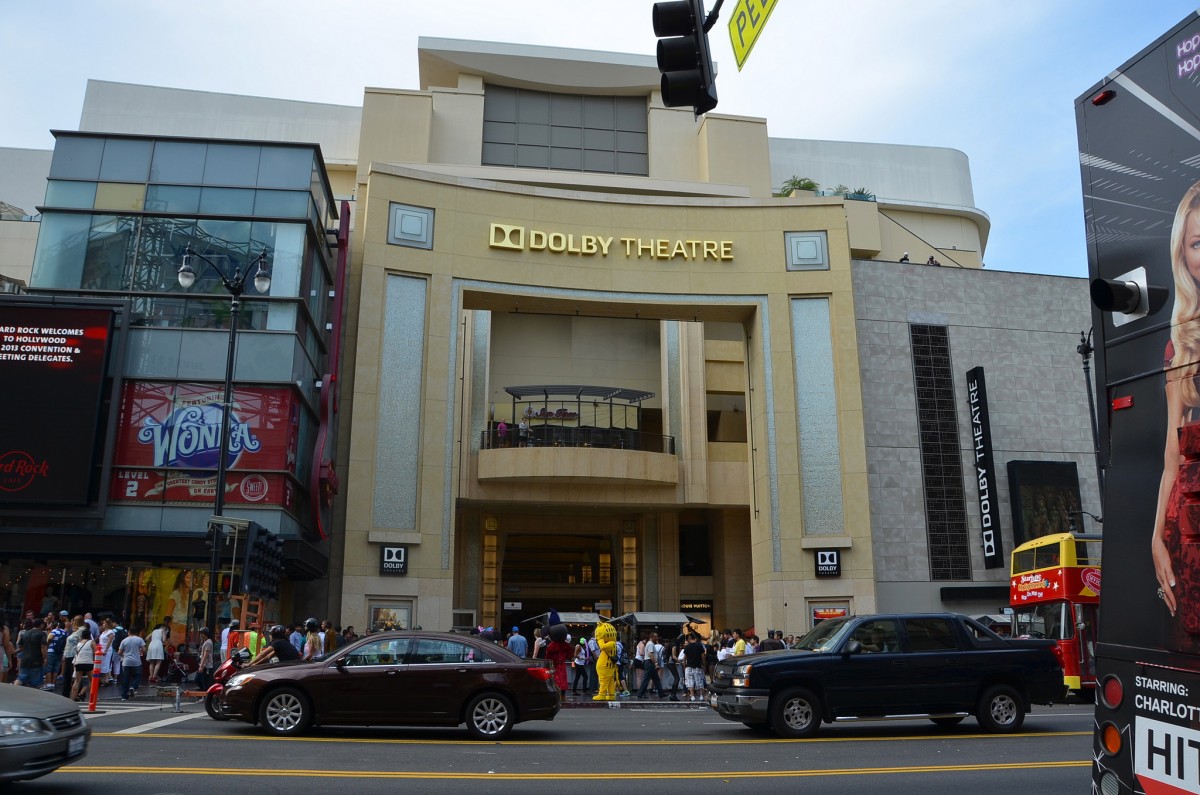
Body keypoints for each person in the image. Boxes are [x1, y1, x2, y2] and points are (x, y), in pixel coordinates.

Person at [1154, 179, 1200, 652]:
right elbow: (1171, 458)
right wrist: (1154, 540)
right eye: (1197, 242)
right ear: (1184, 255)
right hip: (1187, 522)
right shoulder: (1181, 344)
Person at [16, 619, 48, 689]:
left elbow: (20, 645)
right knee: (35, 682)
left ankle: (13, 691)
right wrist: (45, 657)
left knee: (21, 677)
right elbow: (43, 646)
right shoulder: (42, 634)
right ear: (42, 624)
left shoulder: (25, 633)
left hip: (24, 659)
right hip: (36, 660)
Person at [118, 626, 145, 700]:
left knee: (125, 679)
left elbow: (119, 652)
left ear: (128, 632)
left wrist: (124, 655)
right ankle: (133, 686)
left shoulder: (124, 640)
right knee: (138, 676)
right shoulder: (140, 639)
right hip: (136, 662)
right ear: (136, 633)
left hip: (126, 662)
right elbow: (144, 650)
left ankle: (124, 696)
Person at [636, 632, 663, 699]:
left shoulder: (649, 643)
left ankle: (661, 693)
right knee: (646, 679)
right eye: (655, 637)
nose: (656, 638)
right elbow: (650, 654)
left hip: (649, 662)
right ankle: (640, 693)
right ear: (651, 637)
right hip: (650, 662)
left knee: (656, 679)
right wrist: (656, 663)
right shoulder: (650, 644)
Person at [682, 631, 707, 703]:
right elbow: (703, 656)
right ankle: (701, 696)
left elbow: (684, 658)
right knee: (699, 681)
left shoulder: (687, 647)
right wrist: (704, 665)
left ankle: (692, 696)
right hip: (698, 666)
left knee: (690, 682)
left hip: (689, 667)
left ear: (689, 639)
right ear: (694, 638)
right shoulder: (699, 645)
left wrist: (684, 665)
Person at [70, 628, 94, 702]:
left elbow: (77, 653)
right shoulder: (91, 642)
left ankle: (72, 698)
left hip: (79, 662)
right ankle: (92, 697)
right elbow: (96, 652)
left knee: (77, 681)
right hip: (88, 663)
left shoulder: (79, 643)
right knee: (91, 681)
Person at [196, 627, 214, 691]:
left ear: (205, 634)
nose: (200, 635)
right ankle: (202, 695)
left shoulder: (208, 642)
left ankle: (204, 696)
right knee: (199, 679)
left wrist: (201, 666)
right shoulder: (205, 642)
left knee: (204, 681)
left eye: (202, 634)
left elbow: (206, 655)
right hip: (203, 665)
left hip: (206, 665)